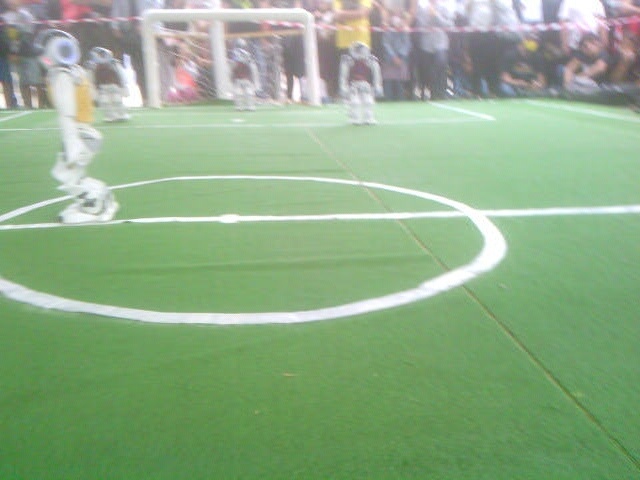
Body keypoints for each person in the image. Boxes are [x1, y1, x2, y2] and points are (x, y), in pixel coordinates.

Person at [36, 29, 119, 223]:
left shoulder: (62, 75)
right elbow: (92, 97)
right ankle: (100, 195)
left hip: (79, 133)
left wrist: (71, 140)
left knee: (64, 173)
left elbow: (67, 112)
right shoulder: (77, 71)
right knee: (74, 173)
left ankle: (94, 205)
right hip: (87, 132)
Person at [2, 0, 47, 108]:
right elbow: (7, 37)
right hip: (17, 55)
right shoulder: (5, 17)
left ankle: (41, 106)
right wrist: (13, 52)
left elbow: (27, 36)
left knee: (37, 81)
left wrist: (15, 50)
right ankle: (28, 106)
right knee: (23, 83)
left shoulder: (26, 16)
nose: (12, 3)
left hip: (30, 53)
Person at [413, 0, 453, 100]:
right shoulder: (422, 8)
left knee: (441, 63)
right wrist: (429, 17)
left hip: (441, 43)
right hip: (426, 45)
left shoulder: (444, 7)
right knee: (427, 70)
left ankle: (441, 92)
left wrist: (436, 15)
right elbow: (420, 25)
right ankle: (430, 92)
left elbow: (449, 24)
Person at [339, 40, 383, 124]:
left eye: (361, 50)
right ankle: (354, 118)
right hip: (353, 84)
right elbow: (343, 75)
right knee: (354, 102)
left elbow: (377, 74)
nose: (360, 53)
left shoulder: (370, 59)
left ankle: (368, 117)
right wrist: (343, 86)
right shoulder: (348, 60)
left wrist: (377, 85)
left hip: (365, 84)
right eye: (358, 50)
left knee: (368, 101)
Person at [85, 46, 130, 121]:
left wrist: (123, 85)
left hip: (114, 85)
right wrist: (93, 88)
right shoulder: (93, 66)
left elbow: (121, 74)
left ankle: (121, 114)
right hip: (102, 86)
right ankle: (110, 116)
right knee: (104, 101)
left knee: (117, 100)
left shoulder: (114, 63)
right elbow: (91, 77)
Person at [380, 11, 410, 100]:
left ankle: (400, 98)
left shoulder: (405, 32)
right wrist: (393, 57)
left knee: (400, 82)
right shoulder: (387, 31)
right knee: (388, 82)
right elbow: (386, 44)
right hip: (389, 60)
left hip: (401, 60)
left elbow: (407, 44)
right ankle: (387, 98)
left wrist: (400, 56)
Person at [230, 38, 260, 110]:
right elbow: (253, 68)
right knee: (243, 92)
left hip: (243, 78)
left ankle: (243, 106)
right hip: (242, 78)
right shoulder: (242, 56)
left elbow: (232, 68)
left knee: (242, 92)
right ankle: (246, 106)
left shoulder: (237, 56)